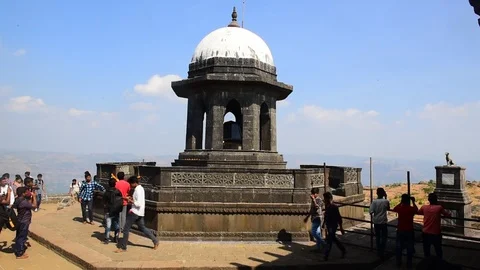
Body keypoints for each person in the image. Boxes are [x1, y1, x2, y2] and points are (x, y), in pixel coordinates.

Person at [115, 176, 159, 253]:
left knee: (126, 229)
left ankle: (123, 247)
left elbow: (138, 203)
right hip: (140, 212)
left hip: (135, 212)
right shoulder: (141, 188)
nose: (130, 186)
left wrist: (129, 200)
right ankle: (155, 240)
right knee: (142, 228)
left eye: (131, 184)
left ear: (134, 183)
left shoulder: (137, 190)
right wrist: (132, 199)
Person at [418, 193, 451, 259]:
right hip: (436, 233)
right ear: (436, 199)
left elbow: (419, 212)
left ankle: (427, 264)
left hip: (426, 233)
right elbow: (448, 215)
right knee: (438, 250)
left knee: (426, 251)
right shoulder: (439, 208)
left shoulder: (424, 207)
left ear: (428, 200)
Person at [393, 194, 418, 268]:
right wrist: (413, 202)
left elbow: (394, 208)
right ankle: (409, 263)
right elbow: (416, 209)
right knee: (409, 247)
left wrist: (401, 202)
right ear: (408, 201)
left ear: (402, 200)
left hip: (400, 230)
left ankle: (398, 262)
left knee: (399, 247)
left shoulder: (400, 208)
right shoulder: (411, 209)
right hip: (409, 230)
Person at [13, 186, 37, 259]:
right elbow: (34, 206)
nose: (28, 193)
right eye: (26, 192)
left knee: (19, 235)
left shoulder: (18, 200)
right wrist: (34, 197)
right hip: (24, 221)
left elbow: (28, 204)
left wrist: (30, 197)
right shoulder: (23, 202)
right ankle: (19, 254)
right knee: (22, 237)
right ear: (23, 193)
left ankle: (18, 248)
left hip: (19, 220)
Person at [322, 191, 346, 261]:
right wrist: (324, 223)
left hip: (333, 225)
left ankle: (326, 255)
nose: (324, 200)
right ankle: (343, 249)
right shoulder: (328, 206)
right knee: (333, 238)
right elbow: (326, 216)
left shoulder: (334, 207)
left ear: (328, 199)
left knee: (329, 240)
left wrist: (341, 227)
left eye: (325, 199)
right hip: (329, 225)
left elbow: (339, 217)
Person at [369, 187, 390, 259]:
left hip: (376, 222)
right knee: (384, 237)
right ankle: (382, 250)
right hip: (383, 221)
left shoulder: (374, 202)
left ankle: (378, 251)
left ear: (377, 193)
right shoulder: (386, 201)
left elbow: (370, 211)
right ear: (383, 193)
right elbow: (388, 208)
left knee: (377, 237)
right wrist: (386, 197)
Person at [303, 187, 326, 252]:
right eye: (312, 193)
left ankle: (324, 243)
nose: (312, 194)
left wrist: (313, 199)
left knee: (313, 232)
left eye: (314, 193)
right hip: (314, 217)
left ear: (317, 194)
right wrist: (307, 217)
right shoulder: (314, 199)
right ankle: (319, 248)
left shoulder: (318, 200)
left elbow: (317, 207)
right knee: (318, 233)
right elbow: (311, 209)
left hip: (318, 217)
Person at [102, 178, 122, 244]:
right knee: (116, 224)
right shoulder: (118, 191)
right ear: (115, 184)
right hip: (116, 210)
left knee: (108, 225)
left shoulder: (106, 192)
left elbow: (104, 202)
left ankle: (107, 238)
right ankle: (116, 237)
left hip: (108, 210)